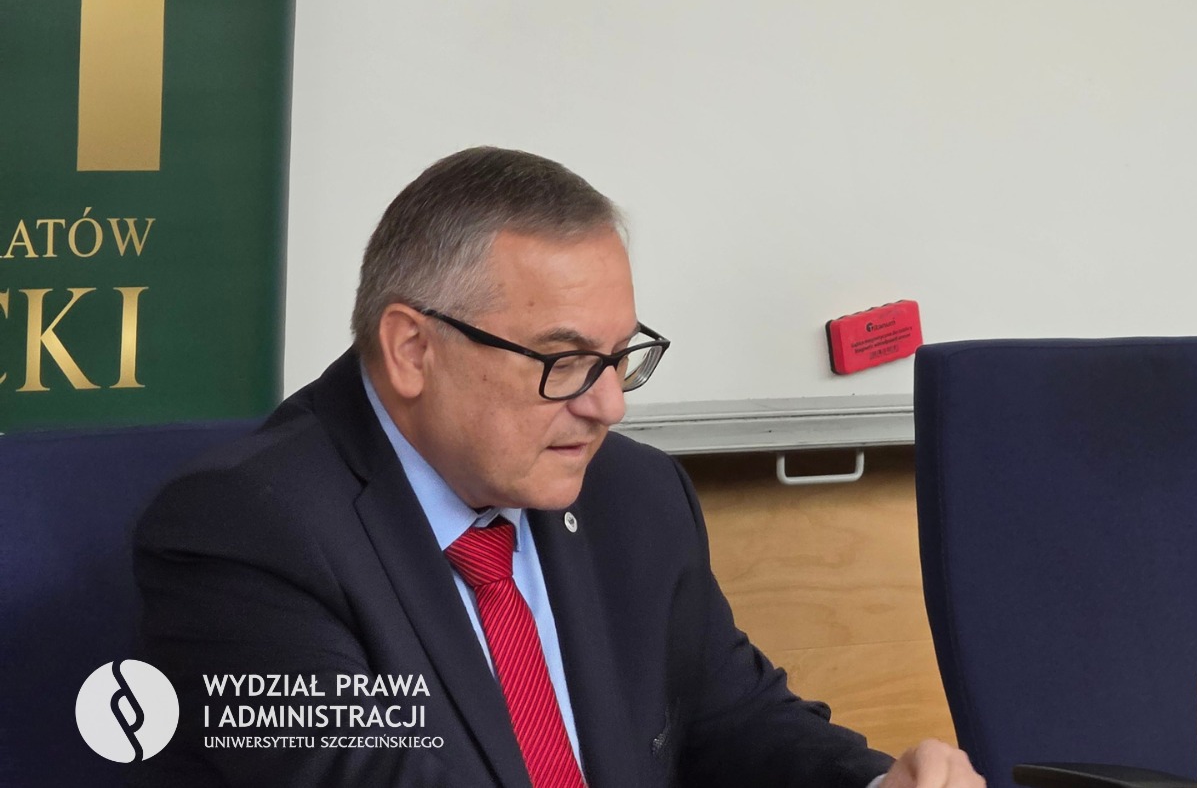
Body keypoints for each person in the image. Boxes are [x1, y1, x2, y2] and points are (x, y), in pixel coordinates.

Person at [135, 147, 982, 787]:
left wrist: (873, 785)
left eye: (619, 356)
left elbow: (734, 720)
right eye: (564, 360)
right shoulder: (248, 532)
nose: (608, 404)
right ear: (411, 349)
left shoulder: (636, 496)